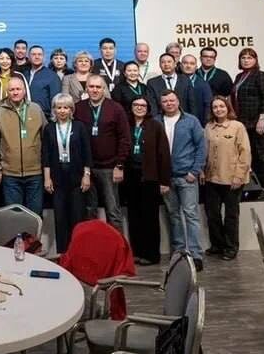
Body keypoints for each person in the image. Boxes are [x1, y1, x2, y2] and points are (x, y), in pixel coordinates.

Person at [73, 74, 130, 233]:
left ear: (104, 89)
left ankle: (117, 246)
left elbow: (125, 138)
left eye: (98, 87)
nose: (95, 90)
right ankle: (92, 245)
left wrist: (120, 165)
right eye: (91, 87)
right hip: (87, 168)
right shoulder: (78, 108)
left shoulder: (116, 108)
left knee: (113, 211)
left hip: (109, 168)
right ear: (86, 89)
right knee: (89, 211)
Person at [158, 90, 207, 271]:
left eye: (172, 100)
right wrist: (160, 178)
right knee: (174, 216)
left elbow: (201, 147)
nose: (169, 104)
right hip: (166, 179)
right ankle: (178, 253)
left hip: (187, 177)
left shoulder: (191, 121)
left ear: (178, 101)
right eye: (165, 101)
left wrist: (195, 171)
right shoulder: (156, 122)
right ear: (161, 104)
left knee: (191, 216)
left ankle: (195, 255)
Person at [121, 96, 171, 266]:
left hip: (150, 177)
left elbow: (163, 154)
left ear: (148, 108)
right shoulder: (126, 125)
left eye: (143, 105)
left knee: (149, 217)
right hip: (130, 177)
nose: (139, 107)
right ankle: (137, 252)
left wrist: (164, 181)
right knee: (134, 216)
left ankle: (151, 255)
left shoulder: (155, 126)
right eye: (136, 104)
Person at [42, 94, 92, 255]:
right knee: (60, 218)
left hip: (77, 178)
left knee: (77, 218)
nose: (62, 111)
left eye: (66, 107)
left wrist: (86, 175)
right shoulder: (49, 128)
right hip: (57, 179)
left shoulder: (79, 127)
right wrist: (47, 178)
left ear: (71, 110)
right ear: (54, 110)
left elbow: (87, 153)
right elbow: (46, 155)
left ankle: (78, 253)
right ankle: (62, 254)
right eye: (59, 107)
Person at [203, 96, 251, 261]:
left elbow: (245, 153)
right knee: (212, 214)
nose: (218, 109)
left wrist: (239, 176)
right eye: (215, 107)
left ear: (227, 108)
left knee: (231, 216)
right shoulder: (208, 127)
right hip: (211, 178)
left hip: (232, 179)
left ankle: (231, 248)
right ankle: (217, 245)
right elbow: (204, 151)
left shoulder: (237, 126)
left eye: (221, 106)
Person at [0, 74, 46, 215]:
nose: (15, 92)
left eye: (18, 89)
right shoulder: (0, 111)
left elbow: (46, 138)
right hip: (10, 174)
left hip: (35, 173)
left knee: (35, 215)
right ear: (7, 92)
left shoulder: (36, 109)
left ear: (24, 91)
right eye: (12, 90)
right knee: (14, 216)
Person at [233, 47, 264, 195]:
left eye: (249, 58)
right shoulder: (239, 77)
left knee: (260, 155)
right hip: (242, 122)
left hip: (257, 122)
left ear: (255, 60)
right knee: (245, 154)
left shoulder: (260, 75)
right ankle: (248, 186)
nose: (246, 60)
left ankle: (263, 187)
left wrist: (262, 119)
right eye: (243, 58)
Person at [20, 45, 62, 115]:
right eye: (33, 54)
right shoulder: (23, 74)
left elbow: (56, 101)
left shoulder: (52, 76)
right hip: (24, 114)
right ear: (29, 57)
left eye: (39, 54)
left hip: (44, 116)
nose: (37, 57)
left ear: (43, 57)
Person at [180, 54, 213, 124]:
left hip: (199, 122)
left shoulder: (203, 84)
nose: (188, 66)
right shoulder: (174, 81)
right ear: (180, 65)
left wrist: (206, 124)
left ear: (196, 67)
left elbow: (208, 105)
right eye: (185, 63)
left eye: (192, 64)